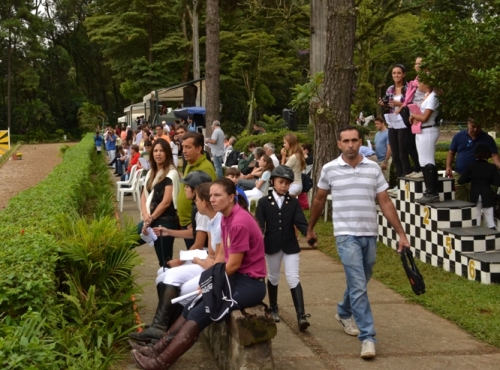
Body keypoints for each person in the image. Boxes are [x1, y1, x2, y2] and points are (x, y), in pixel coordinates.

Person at [130, 178, 266, 369]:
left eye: (218, 195)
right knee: (193, 306)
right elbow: (223, 260)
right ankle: (157, 350)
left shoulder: (239, 222)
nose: (213, 200)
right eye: (211, 195)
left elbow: (233, 265)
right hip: (233, 278)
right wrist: (209, 282)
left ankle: (160, 363)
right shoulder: (227, 218)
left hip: (250, 283)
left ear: (231, 197)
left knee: (204, 310)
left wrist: (211, 283)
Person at [306, 126, 409, 360]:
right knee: (359, 285)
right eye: (346, 141)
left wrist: (401, 234)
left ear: (360, 141)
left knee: (361, 279)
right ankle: (368, 337)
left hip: (369, 233)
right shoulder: (330, 169)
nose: (350, 144)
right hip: (345, 234)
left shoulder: (373, 169)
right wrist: (310, 228)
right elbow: (319, 199)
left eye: (354, 140)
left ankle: (343, 311)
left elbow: (384, 202)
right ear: (339, 143)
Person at [129, 182, 219, 344]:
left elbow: (211, 257)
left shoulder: (216, 220)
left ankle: (165, 335)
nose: (194, 202)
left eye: (197, 199)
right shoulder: (212, 219)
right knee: (165, 276)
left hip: (214, 269)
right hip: (206, 262)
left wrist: (190, 259)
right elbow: (211, 255)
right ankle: (160, 328)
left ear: (204, 202)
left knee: (180, 289)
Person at [255, 165, 310, 330]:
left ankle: (301, 316)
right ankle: (273, 308)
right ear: (272, 181)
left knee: (293, 277)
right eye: (281, 182)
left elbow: (300, 221)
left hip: (290, 245)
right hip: (271, 245)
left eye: (287, 183)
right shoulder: (263, 202)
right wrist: (257, 242)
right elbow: (259, 225)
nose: (284, 186)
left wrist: (309, 234)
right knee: (273, 277)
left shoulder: (292, 202)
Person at [140, 139, 179, 267]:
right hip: (150, 219)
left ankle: (167, 285)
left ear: (167, 153)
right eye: (155, 151)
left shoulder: (171, 174)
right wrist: (146, 215)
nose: (158, 154)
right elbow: (144, 196)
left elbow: (166, 202)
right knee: (125, 242)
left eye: (162, 151)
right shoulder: (151, 172)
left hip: (165, 221)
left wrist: (150, 218)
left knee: (165, 261)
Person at [177, 132, 217, 249]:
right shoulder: (189, 164)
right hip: (186, 221)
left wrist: (194, 222)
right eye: (183, 146)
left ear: (199, 148)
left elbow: (209, 200)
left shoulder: (206, 168)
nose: (184, 151)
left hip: (195, 222)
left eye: (188, 147)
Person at [446, 118, 500, 202]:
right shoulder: (458, 136)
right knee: (458, 200)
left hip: (476, 176)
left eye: (478, 127)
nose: (475, 129)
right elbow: (451, 152)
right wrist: (448, 166)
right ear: (468, 124)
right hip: (459, 174)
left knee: (475, 201)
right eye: (473, 126)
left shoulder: (487, 139)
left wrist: (498, 165)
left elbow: (494, 155)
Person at [378, 64, 413, 185]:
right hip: (392, 123)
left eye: (399, 73)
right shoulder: (390, 89)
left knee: (403, 153)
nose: (396, 75)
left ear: (404, 74)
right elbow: (388, 103)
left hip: (403, 122)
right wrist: (383, 104)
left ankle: (407, 179)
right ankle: (400, 183)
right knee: (396, 154)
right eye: (394, 73)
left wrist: (400, 104)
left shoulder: (409, 88)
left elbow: (412, 104)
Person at [409, 82, 441, 203]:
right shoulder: (427, 96)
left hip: (428, 129)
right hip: (421, 130)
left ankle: (433, 192)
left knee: (428, 160)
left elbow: (425, 117)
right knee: (423, 160)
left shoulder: (433, 97)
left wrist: (415, 115)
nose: (418, 86)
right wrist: (413, 116)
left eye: (420, 83)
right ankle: (428, 190)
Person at [458, 144, 500, 229]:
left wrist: (470, 178)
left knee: (476, 220)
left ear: (475, 154)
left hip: (474, 195)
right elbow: (498, 182)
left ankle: (477, 240)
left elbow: (461, 181)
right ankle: (493, 240)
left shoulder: (470, 166)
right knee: (490, 221)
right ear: (488, 155)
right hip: (487, 195)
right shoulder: (491, 167)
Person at [395, 57, 424, 179]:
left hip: (421, 113)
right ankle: (418, 168)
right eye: (416, 63)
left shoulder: (425, 79)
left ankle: (422, 169)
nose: (418, 66)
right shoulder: (415, 81)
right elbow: (408, 99)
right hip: (411, 112)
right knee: (409, 142)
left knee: (414, 142)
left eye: (420, 63)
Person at [372, 117, 392, 183]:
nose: (376, 125)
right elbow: (377, 145)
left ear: (383, 123)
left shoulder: (388, 133)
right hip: (378, 160)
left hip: (384, 159)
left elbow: (389, 149)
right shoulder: (377, 134)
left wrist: (385, 162)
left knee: (385, 181)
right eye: (375, 124)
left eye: (377, 124)